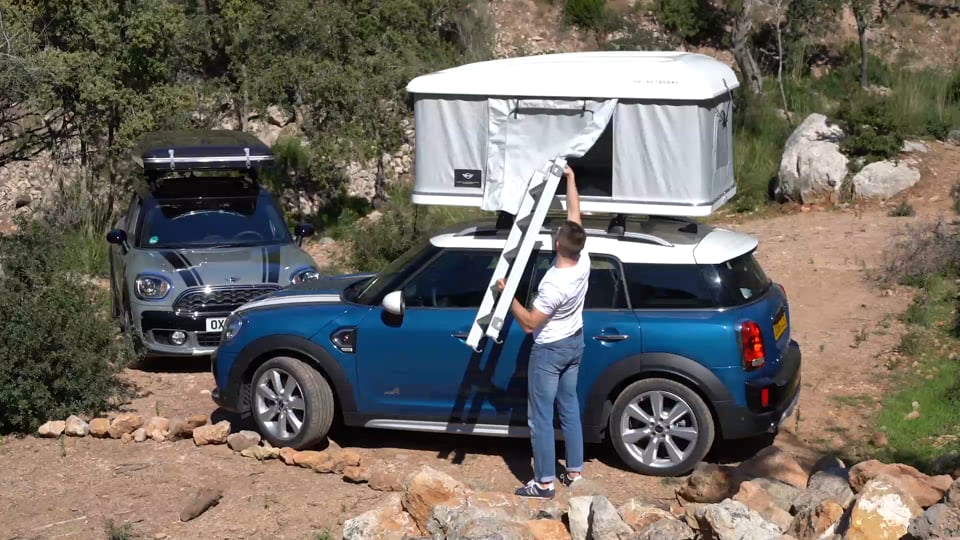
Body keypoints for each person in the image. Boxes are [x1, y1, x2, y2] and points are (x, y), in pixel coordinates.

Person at [495, 164, 589, 500]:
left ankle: (544, 482)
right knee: (569, 406)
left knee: (540, 417)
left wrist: (507, 295)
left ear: (559, 244)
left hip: (550, 351)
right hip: (574, 343)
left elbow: (530, 323)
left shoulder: (554, 285)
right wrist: (571, 180)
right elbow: (575, 214)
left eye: (557, 234)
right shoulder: (583, 259)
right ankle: (575, 472)